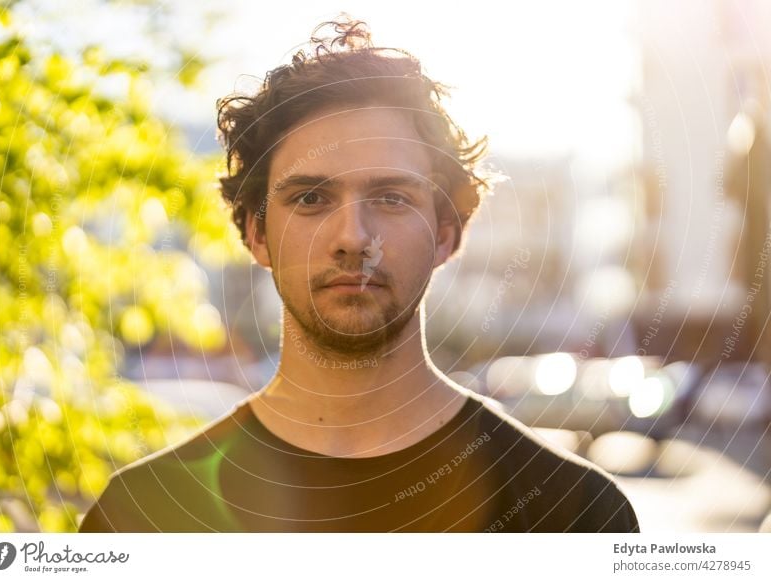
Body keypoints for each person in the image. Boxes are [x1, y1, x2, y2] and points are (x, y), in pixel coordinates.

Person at [78, 18, 640, 533]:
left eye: (392, 197)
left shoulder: (575, 513)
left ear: (447, 233)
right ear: (256, 233)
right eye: (312, 197)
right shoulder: (142, 515)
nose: (352, 237)